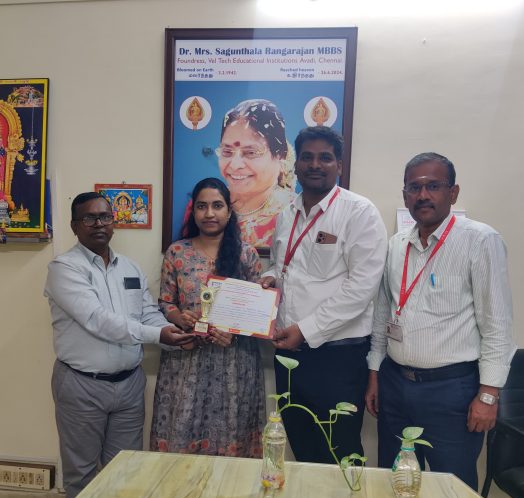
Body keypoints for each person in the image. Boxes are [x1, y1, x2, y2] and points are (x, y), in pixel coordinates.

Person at [366, 152, 515, 490]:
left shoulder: (480, 241)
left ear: (453, 192)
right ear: (405, 195)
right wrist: (375, 374)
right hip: (395, 384)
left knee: (453, 491)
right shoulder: (396, 246)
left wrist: (488, 395)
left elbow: (498, 325)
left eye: (433, 186)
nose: (423, 195)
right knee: (396, 481)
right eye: (414, 188)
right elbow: (382, 315)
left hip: (452, 392)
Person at [44, 192, 192, 498]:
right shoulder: (64, 268)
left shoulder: (130, 268)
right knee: (81, 476)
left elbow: (147, 312)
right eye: (89, 218)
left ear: (114, 222)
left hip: (129, 386)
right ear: (74, 225)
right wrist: (158, 336)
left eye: (105, 217)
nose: (99, 224)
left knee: (126, 473)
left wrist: (175, 335)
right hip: (82, 385)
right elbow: (98, 320)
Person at [261, 126, 387, 464]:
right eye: (307, 157)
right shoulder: (287, 214)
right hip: (289, 357)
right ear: (296, 164)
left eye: (325, 158)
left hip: (337, 359)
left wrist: (305, 330)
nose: (315, 165)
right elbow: (280, 265)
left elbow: (361, 288)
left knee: (340, 453)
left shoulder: (359, 212)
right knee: (301, 449)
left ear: (339, 165)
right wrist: (269, 279)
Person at [151, 177, 265, 457]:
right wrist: (179, 317)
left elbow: (257, 312)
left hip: (235, 362)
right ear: (194, 212)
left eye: (217, 205)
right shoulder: (177, 252)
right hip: (186, 361)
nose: (209, 213)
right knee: (182, 435)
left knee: (233, 437)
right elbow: (165, 301)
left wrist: (234, 333)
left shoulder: (246, 254)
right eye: (202, 206)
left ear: (229, 210)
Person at [215, 99, 295, 249]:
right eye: (227, 151)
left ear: (280, 155)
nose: (235, 165)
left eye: (250, 153)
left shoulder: (294, 214)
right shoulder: (208, 206)